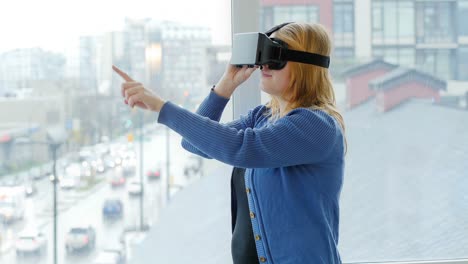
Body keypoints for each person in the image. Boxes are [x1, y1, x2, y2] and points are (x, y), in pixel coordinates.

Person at [113, 22, 346, 264]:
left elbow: (241, 147)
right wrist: (227, 83)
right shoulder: (262, 117)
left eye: (275, 57)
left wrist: (161, 106)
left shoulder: (317, 125)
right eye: (263, 55)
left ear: (305, 66)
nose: (264, 65)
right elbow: (194, 144)